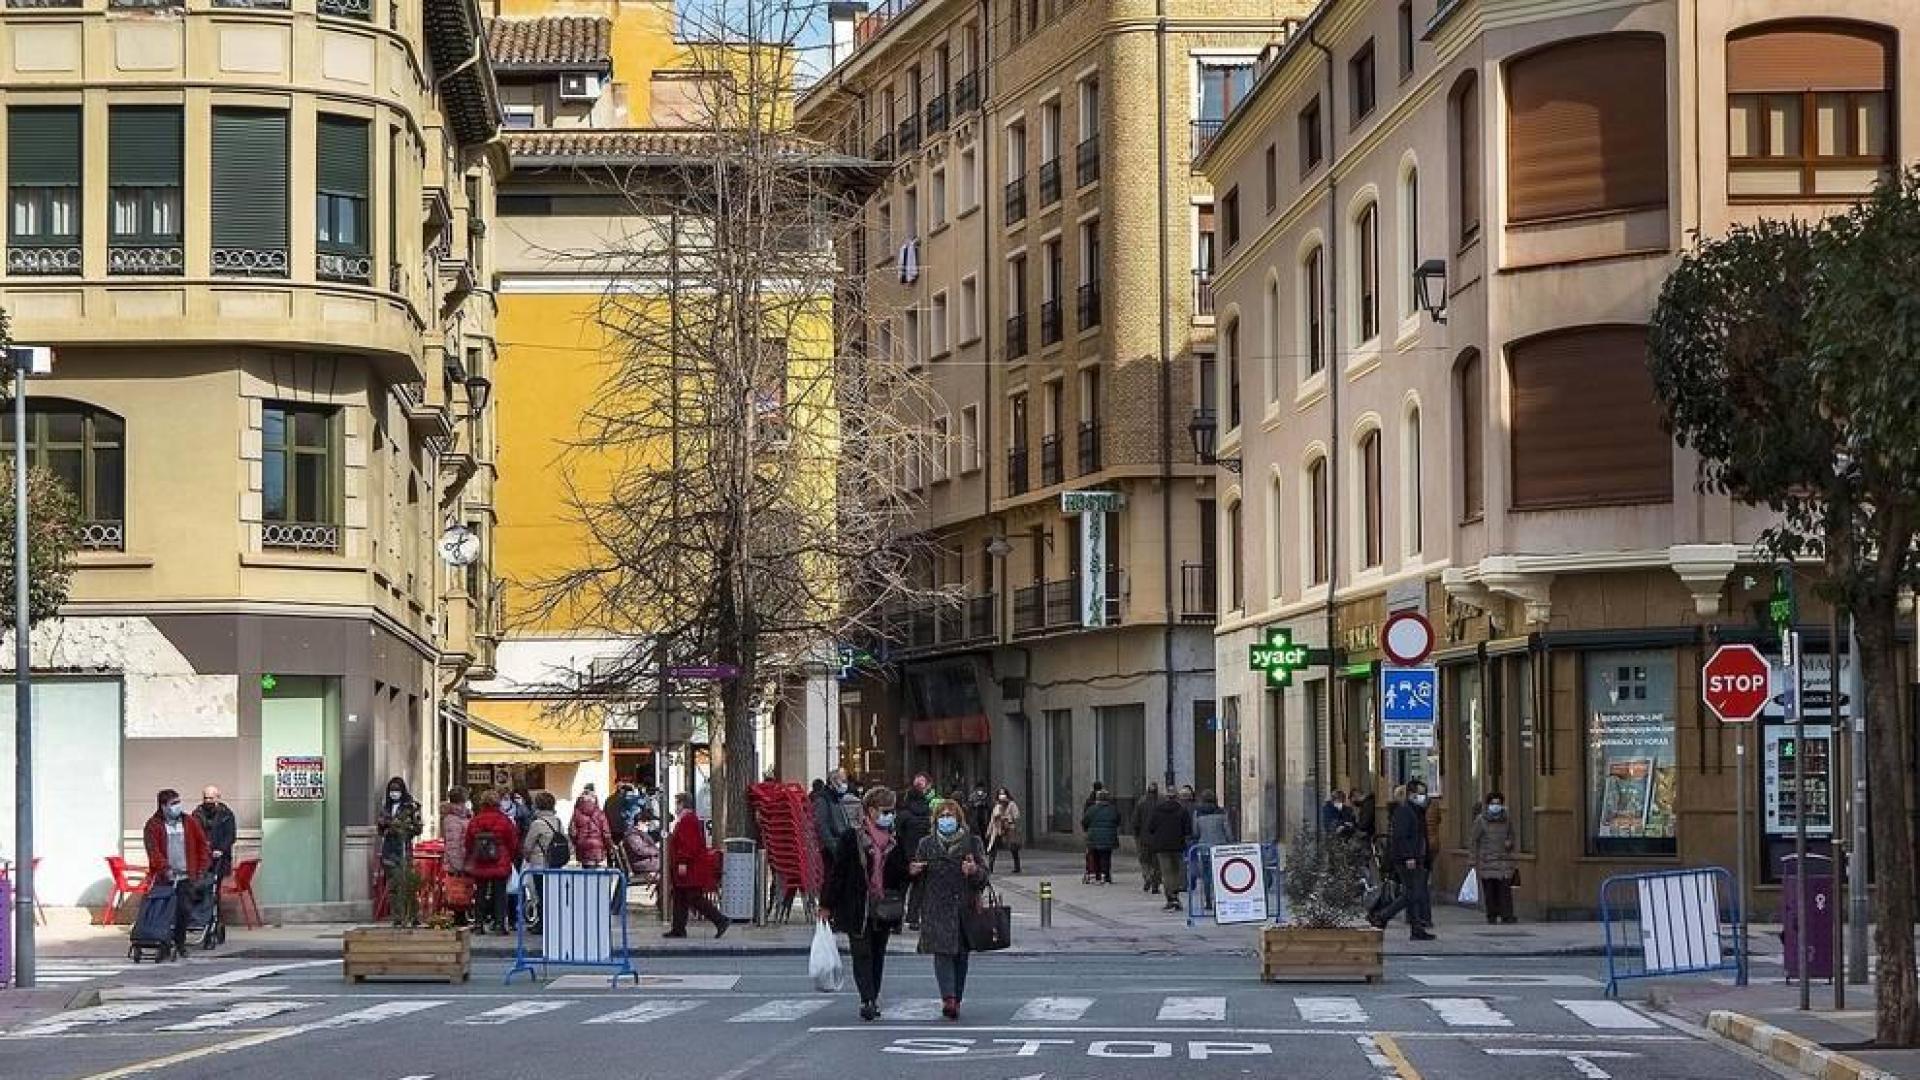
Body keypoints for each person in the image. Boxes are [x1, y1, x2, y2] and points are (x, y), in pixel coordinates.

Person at [820, 787, 912, 1021]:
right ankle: (867, 999)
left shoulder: (894, 839)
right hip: (858, 905)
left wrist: (910, 871)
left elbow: (900, 872)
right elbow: (837, 874)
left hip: (884, 907)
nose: (889, 815)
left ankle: (873, 995)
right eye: (885, 811)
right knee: (862, 954)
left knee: (878, 953)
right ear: (870, 811)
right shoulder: (852, 838)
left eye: (892, 811)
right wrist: (827, 904)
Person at [910, 799, 988, 1020]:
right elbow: (917, 878)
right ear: (935, 820)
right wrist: (914, 871)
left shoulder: (972, 843)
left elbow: (984, 877)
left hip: (964, 906)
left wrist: (974, 871)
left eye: (950, 816)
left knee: (961, 956)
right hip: (936, 907)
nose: (946, 820)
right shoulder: (926, 844)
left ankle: (957, 997)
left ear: (959, 819)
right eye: (942, 816)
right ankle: (949, 998)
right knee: (942, 953)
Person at [142, 789, 210, 960]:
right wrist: (164, 868)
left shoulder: (189, 822)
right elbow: (153, 851)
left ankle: (180, 943)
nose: (177, 806)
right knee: (164, 913)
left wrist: (202, 868)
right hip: (165, 877)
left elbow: (202, 844)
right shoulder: (153, 825)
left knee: (183, 911)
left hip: (187, 876)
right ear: (163, 806)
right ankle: (163, 943)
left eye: (178, 802)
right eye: (173, 803)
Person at [1370, 779, 1435, 940]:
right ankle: (1382, 916)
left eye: (1424, 793)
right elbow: (1400, 837)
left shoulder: (1417, 811)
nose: (1423, 797)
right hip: (1407, 859)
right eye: (1420, 793)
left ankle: (1416, 929)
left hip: (1416, 858)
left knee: (1413, 893)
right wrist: (1409, 856)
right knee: (1412, 893)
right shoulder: (1405, 811)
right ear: (1411, 794)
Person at [665, 791, 729, 938]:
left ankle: (720, 920)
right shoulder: (687, 819)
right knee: (680, 896)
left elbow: (688, 844)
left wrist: (682, 861)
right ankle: (678, 928)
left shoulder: (688, 820)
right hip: (688, 866)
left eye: (677, 803)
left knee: (693, 897)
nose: (676, 807)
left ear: (682, 804)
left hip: (690, 867)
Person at [464, 792, 519, 935]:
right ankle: (500, 924)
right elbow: (513, 842)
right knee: (500, 894)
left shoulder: (475, 820)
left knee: (480, 893)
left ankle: (478, 924)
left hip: (480, 861)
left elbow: (468, 842)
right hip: (500, 861)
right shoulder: (504, 820)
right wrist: (509, 857)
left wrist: (473, 855)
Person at [377, 777, 424, 926]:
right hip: (389, 849)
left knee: (407, 883)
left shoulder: (411, 807)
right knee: (393, 884)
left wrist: (403, 828)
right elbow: (380, 829)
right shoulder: (386, 807)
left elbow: (418, 828)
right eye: (391, 790)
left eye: (397, 790)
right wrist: (386, 827)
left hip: (404, 848)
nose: (394, 793)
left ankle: (413, 915)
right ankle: (397, 916)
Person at [1470, 791, 1519, 925]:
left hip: (1503, 859)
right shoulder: (1481, 820)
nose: (1495, 806)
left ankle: (1507, 915)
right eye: (1493, 803)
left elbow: (1512, 835)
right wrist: (1473, 859)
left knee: (1505, 889)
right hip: (1487, 860)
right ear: (1488, 805)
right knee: (1490, 890)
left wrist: (1510, 842)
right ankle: (1491, 915)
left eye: (1498, 803)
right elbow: (1474, 840)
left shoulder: (1507, 819)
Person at [1141, 786, 1192, 912]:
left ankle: (1170, 898)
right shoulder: (1182, 810)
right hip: (1177, 845)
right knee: (1176, 871)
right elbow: (1188, 830)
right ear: (1176, 797)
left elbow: (1151, 828)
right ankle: (1175, 896)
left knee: (1166, 872)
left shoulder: (1158, 810)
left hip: (1162, 846)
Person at [899, 774, 934, 928]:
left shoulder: (904, 814)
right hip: (922, 856)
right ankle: (913, 918)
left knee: (901, 889)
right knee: (918, 889)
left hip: (905, 856)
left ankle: (896, 920)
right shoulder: (928, 813)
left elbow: (898, 834)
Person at [193, 786, 237, 895]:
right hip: (202, 858)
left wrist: (221, 850)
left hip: (220, 859)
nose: (208, 801)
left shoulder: (226, 814)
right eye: (205, 798)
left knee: (215, 889)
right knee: (200, 888)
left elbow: (230, 835)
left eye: (211, 798)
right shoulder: (197, 814)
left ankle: (215, 909)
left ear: (218, 798)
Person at [439, 786, 472, 926]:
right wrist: (458, 864)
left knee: (464, 890)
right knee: (458, 891)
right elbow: (453, 843)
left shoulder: (465, 815)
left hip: (466, 859)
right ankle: (459, 918)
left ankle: (462, 916)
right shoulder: (452, 819)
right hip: (458, 861)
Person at [813, 769, 856, 862]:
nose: (846, 784)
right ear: (833, 782)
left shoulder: (837, 797)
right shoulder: (823, 799)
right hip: (831, 851)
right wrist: (835, 848)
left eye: (846, 781)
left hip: (843, 847)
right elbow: (822, 826)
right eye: (843, 781)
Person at [1080, 789, 1120, 884]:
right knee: (1106, 856)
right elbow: (1118, 820)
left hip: (1093, 837)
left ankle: (1097, 875)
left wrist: (1087, 830)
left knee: (1095, 856)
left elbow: (1085, 821)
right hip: (1108, 837)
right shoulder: (1113, 809)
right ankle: (1106, 875)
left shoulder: (1092, 809)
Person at [1132, 783, 1162, 893]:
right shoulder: (1161, 803)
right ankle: (1155, 883)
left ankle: (1147, 876)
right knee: (1157, 863)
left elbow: (1135, 821)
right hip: (1158, 838)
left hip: (1144, 838)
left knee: (1145, 861)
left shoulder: (1141, 803)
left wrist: (1136, 834)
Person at [569, 788, 612, 868]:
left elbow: (572, 832)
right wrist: (608, 845)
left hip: (583, 844)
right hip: (598, 844)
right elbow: (606, 832)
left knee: (586, 871)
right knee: (596, 873)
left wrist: (577, 842)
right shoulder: (600, 813)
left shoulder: (576, 813)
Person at [985, 786, 1022, 874]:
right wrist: (989, 830)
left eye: (1004, 793)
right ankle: (990, 867)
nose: (1002, 795)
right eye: (1000, 793)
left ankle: (1017, 866)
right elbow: (992, 819)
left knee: (1013, 848)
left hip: (1009, 827)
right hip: (997, 828)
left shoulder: (1012, 804)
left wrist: (1007, 819)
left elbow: (1016, 816)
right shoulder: (997, 806)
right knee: (993, 848)